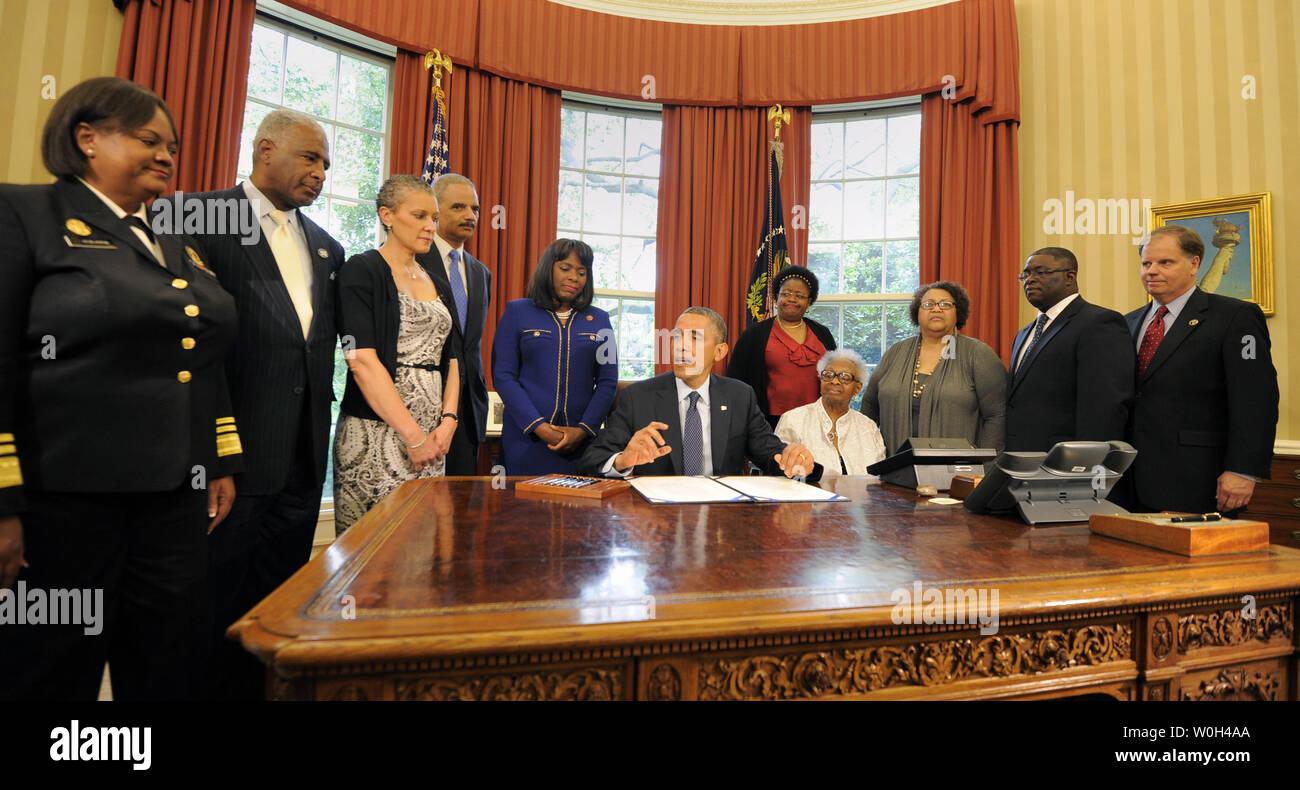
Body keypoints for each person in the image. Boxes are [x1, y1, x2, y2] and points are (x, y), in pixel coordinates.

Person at [0, 77, 241, 700]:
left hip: (171, 502)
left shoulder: (172, 242)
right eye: (148, 140)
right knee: (51, 671)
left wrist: (216, 459)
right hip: (64, 503)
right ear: (88, 139)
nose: (166, 155)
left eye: (173, 146)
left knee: (167, 664)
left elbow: (201, 353)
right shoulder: (25, 213)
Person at [160, 108, 345, 699]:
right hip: (228, 458)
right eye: (310, 158)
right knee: (212, 599)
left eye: (326, 165)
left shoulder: (327, 248)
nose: (319, 173)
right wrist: (211, 454)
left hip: (301, 458)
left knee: (277, 599)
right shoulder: (196, 215)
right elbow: (185, 349)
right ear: (265, 150)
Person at [1118, 225, 1277, 514]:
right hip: (1129, 482)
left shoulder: (1235, 317)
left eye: (1165, 262)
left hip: (1199, 479)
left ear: (1194, 264)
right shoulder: (1127, 322)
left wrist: (1243, 470)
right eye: (1146, 263)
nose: (1151, 271)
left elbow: (1256, 400)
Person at [334, 175, 460, 532]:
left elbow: (451, 359)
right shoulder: (362, 270)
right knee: (370, 556)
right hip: (377, 435)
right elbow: (359, 360)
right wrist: (413, 437)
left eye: (434, 218)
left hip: (434, 442)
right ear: (387, 215)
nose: (430, 226)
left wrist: (448, 422)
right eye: (419, 216)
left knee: (419, 554)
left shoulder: (437, 279)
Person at [578, 307, 821, 480]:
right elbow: (593, 460)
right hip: (656, 522)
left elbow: (768, 452)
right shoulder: (637, 396)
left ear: (719, 351)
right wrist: (623, 461)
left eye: (694, 338)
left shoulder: (740, 396)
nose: (680, 346)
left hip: (721, 521)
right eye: (676, 337)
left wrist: (792, 460)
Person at [491, 239, 618, 475]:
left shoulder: (601, 320)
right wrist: (539, 427)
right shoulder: (517, 312)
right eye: (565, 268)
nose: (574, 277)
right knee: (521, 509)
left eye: (582, 272)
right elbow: (504, 376)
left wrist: (582, 430)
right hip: (526, 440)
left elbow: (608, 382)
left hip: (580, 444)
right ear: (548, 268)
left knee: (577, 510)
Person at [1004, 247, 1134, 452]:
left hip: (1067, 464)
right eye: (1026, 274)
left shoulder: (1099, 323)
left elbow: (1104, 407)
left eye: (1041, 272)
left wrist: (1086, 465)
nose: (1030, 280)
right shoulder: (1023, 334)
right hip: (1022, 459)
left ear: (1070, 277)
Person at [861, 281, 1005, 456]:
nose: (936, 309)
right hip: (893, 470)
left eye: (945, 304)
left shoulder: (978, 354)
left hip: (957, 474)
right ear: (917, 312)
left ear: (957, 312)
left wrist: (985, 466)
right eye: (928, 304)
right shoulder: (895, 352)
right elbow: (869, 408)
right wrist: (866, 456)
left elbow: (997, 416)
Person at [416, 174, 490, 475]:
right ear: (435, 211)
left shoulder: (480, 272)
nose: (469, 216)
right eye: (459, 207)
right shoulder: (412, 258)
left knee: (460, 515)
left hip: (468, 414)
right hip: (421, 409)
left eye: (475, 209)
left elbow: (470, 344)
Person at [727, 265, 837, 428]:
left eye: (799, 295)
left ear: (809, 302)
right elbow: (735, 380)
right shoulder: (754, 334)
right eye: (786, 294)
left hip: (817, 418)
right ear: (775, 298)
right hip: (769, 421)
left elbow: (836, 372)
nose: (792, 299)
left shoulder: (822, 333)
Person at [775, 349, 886, 475]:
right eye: (828, 375)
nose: (835, 381)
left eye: (845, 377)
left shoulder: (868, 427)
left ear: (857, 388)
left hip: (860, 494)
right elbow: (780, 472)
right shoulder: (794, 420)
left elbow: (878, 477)